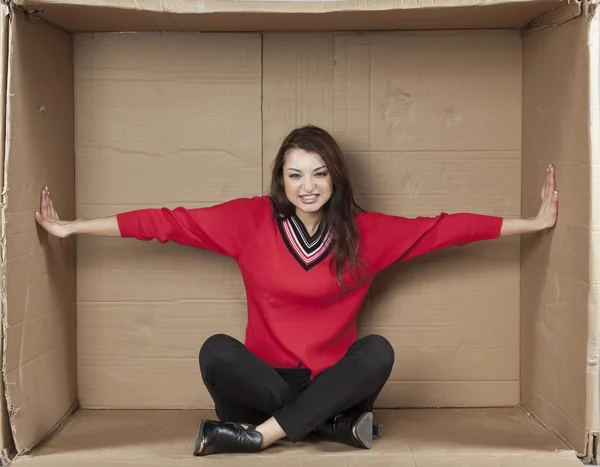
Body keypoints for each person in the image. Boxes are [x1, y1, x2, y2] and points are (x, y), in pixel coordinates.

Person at [35, 125, 559, 456]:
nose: (307, 186)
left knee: (377, 350)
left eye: (319, 173)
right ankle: (329, 429)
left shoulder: (368, 234)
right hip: (263, 388)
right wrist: (74, 227)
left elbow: (446, 228)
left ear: (336, 179)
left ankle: (262, 438)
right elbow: (167, 222)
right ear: (279, 181)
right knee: (217, 350)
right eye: (294, 175)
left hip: (331, 384)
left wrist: (532, 223)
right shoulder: (248, 222)